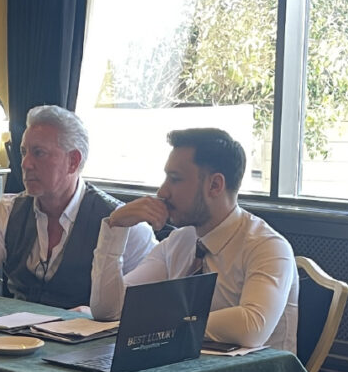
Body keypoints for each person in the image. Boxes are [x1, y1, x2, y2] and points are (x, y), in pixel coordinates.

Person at [90, 127, 298, 351]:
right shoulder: (179, 241)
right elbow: (109, 311)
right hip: (177, 367)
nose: (162, 192)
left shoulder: (268, 247)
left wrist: (162, 322)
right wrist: (115, 227)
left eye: (175, 179)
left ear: (215, 185)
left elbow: (252, 327)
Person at [0, 104, 156, 308]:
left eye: (38, 153)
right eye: (24, 152)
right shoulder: (7, 212)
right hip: (15, 335)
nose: (25, 164)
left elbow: (149, 302)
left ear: (73, 161)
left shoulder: (123, 224)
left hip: (88, 338)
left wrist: (92, 315)